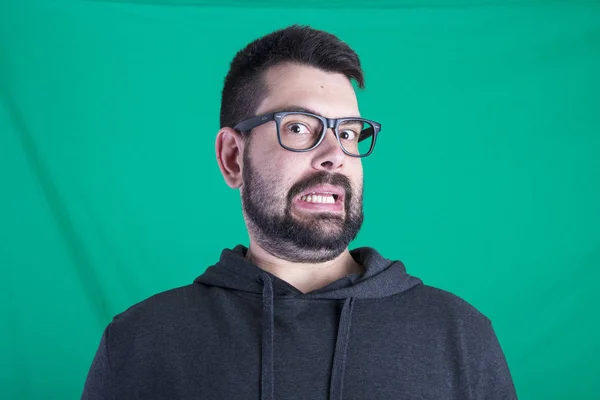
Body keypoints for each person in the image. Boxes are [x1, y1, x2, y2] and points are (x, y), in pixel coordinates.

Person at [82, 25, 517, 400]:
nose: (335, 155)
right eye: (298, 127)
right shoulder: (141, 341)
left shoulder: (460, 336)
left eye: (348, 132)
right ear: (233, 157)